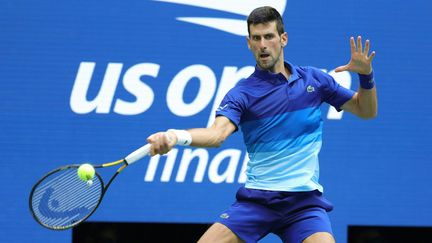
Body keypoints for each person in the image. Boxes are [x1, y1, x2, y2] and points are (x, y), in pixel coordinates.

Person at [146, 6, 377, 243]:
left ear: (283, 39)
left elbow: (365, 110)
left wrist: (366, 75)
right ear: (249, 43)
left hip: (304, 205)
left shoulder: (315, 81)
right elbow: (216, 134)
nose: (263, 44)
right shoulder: (242, 93)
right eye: (256, 38)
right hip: (258, 202)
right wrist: (176, 136)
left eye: (268, 36)